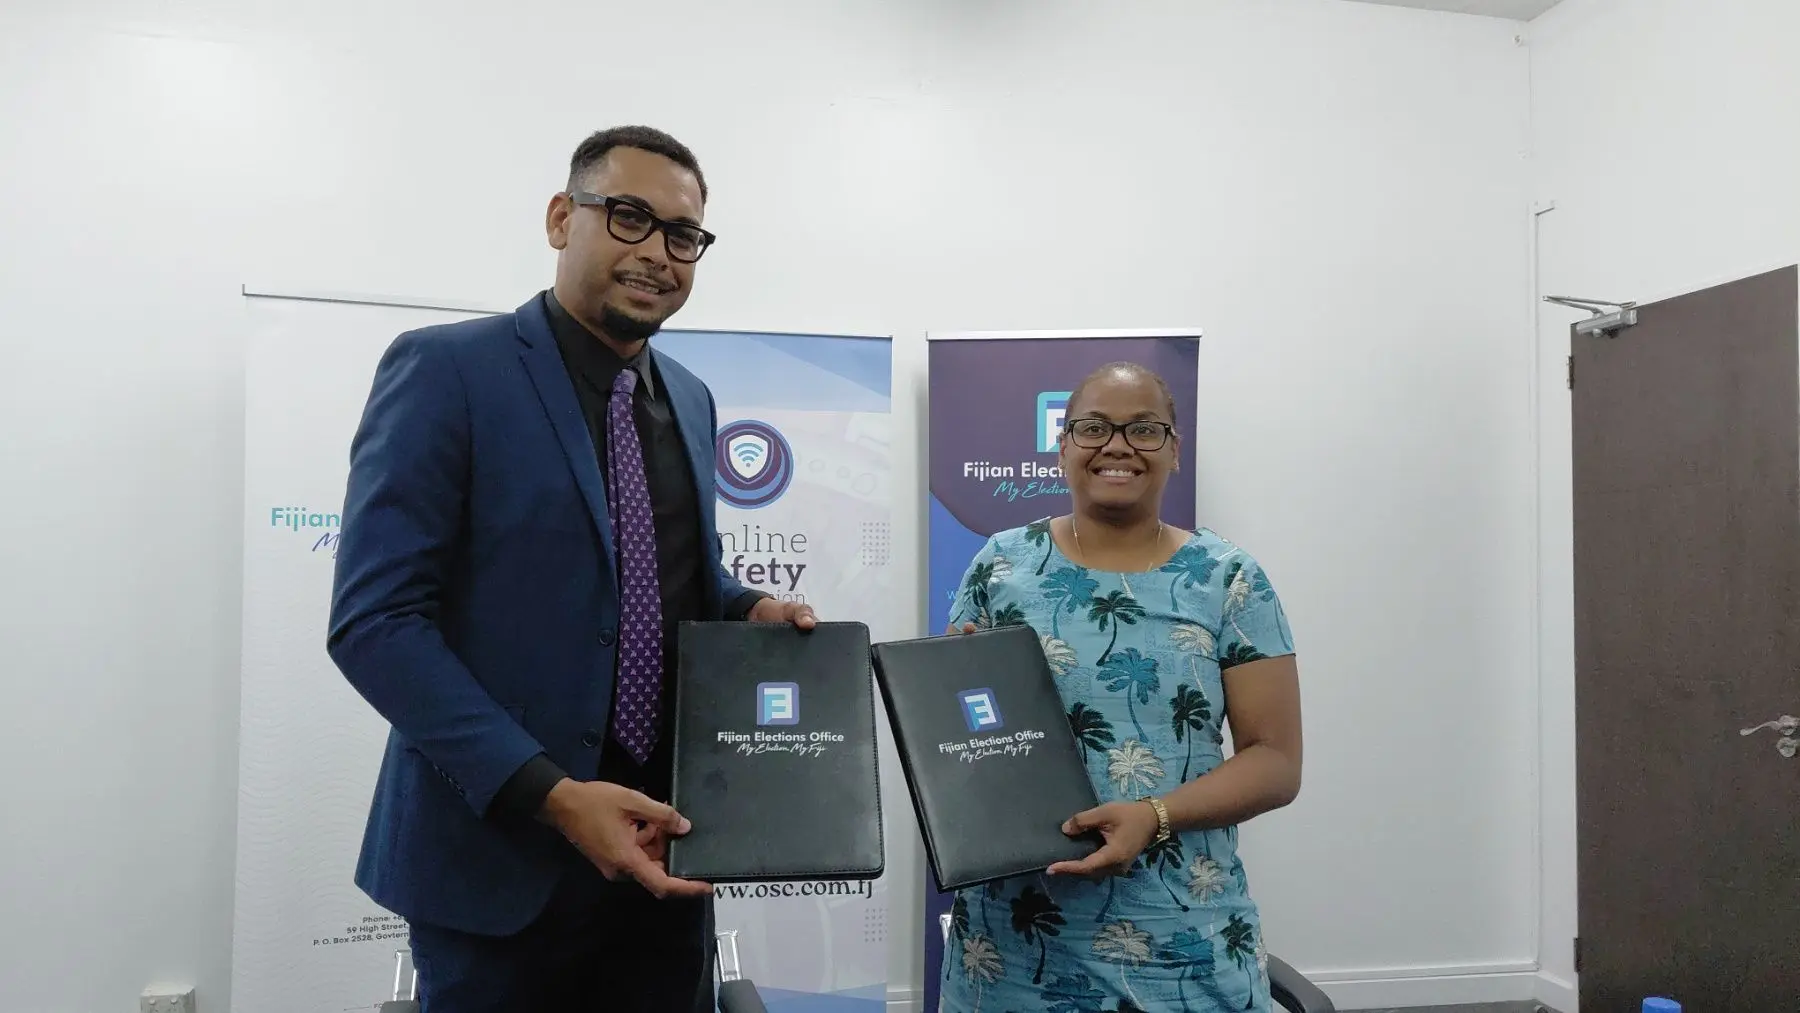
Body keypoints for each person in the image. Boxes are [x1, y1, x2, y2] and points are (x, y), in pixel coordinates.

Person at [326, 125, 816, 1013]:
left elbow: (673, 577)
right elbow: (376, 623)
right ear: (562, 218)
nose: (657, 253)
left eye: (682, 235)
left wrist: (748, 613)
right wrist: (552, 796)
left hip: (663, 858)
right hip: (496, 868)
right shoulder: (448, 372)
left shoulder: (693, 401)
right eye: (629, 216)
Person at [939, 362, 1304, 1013]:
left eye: (1143, 428)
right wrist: (952, 702)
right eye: (1094, 427)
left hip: (1182, 943)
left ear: (1174, 449)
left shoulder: (1229, 580)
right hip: (1015, 949)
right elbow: (960, 742)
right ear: (1063, 445)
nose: (1117, 445)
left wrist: (1153, 816)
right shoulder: (1000, 566)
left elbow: (1275, 762)